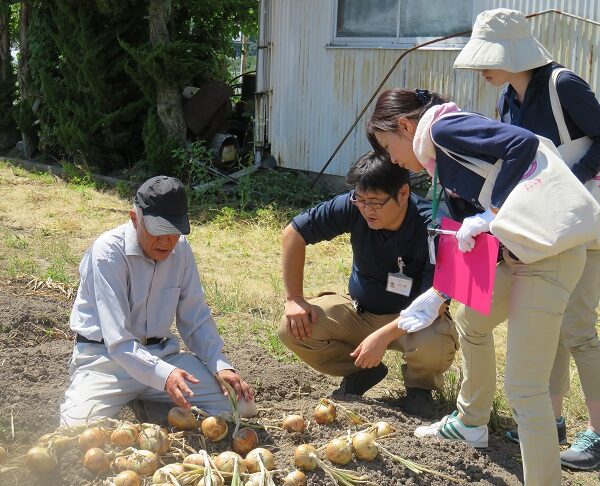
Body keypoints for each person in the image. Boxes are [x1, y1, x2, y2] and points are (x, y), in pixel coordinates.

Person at [366, 87, 598, 485]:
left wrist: (492, 212)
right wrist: (438, 294)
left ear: (405, 126)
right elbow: (477, 242)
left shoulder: (443, 130)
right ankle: (471, 422)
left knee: (524, 390)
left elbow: (522, 144)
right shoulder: (442, 165)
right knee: (472, 321)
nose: (393, 161)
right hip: (521, 256)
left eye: (389, 147)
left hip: (548, 259)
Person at [453, 8, 600, 470]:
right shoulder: (507, 102)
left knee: (578, 326)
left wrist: (567, 182)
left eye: (488, 58)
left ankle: (597, 434)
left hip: (581, 219)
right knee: (550, 323)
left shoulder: (562, 85)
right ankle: (551, 420)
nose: (481, 68)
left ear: (515, 53)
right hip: (539, 227)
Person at [60, 176, 255, 426]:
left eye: (173, 232)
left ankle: (149, 403)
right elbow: (118, 340)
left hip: (162, 356)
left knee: (241, 404)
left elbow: (194, 317)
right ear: (134, 219)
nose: (166, 241)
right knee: (74, 428)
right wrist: (165, 375)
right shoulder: (108, 253)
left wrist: (219, 364)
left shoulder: (181, 250)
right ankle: (147, 400)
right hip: (107, 362)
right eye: (157, 231)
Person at [278, 152, 458, 418]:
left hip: (415, 321)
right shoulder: (354, 206)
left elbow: (436, 303)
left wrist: (382, 337)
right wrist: (294, 299)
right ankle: (362, 371)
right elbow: (294, 233)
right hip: (360, 312)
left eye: (375, 202)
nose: (366, 210)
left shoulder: (433, 226)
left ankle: (419, 389)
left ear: (403, 193)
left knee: (435, 340)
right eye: (360, 200)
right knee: (292, 328)